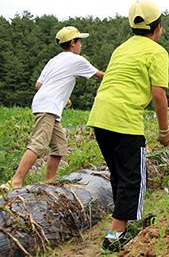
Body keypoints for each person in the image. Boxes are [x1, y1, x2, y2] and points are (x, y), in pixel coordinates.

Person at [86, 1, 169, 252]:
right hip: (124, 120)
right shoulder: (157, 52)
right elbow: (158, 95)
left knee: (119, 175)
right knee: (134, 178)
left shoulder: (121, 49)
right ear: (157, 27)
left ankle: (121, 224)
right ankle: (115, 235)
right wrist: (164, 131)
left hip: (100, 116)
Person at [0, 26, 104, 192]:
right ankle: (15, 181)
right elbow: (100, 76)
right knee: (39, 144)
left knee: (60, 145)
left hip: (46, 103)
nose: (81, 45)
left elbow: (38, 85)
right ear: (72, 43)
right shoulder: (76, 60)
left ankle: (49, 181)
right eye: (79, 41)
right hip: (48, 106)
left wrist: (62, 97)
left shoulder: (54, 60)